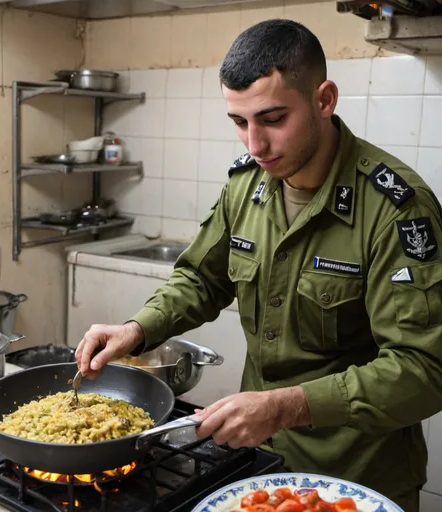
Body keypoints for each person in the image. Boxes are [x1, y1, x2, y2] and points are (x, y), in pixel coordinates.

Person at [75, 19, 442, 512]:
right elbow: (201, 279)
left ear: (324, 99)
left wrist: (285, 406)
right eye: (239, 122)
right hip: (261, 466)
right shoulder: (246, 186)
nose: (254, 144)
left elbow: (424, 371)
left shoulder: (396, 207)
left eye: (272, 119)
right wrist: (138, 329)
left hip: (355, 479)